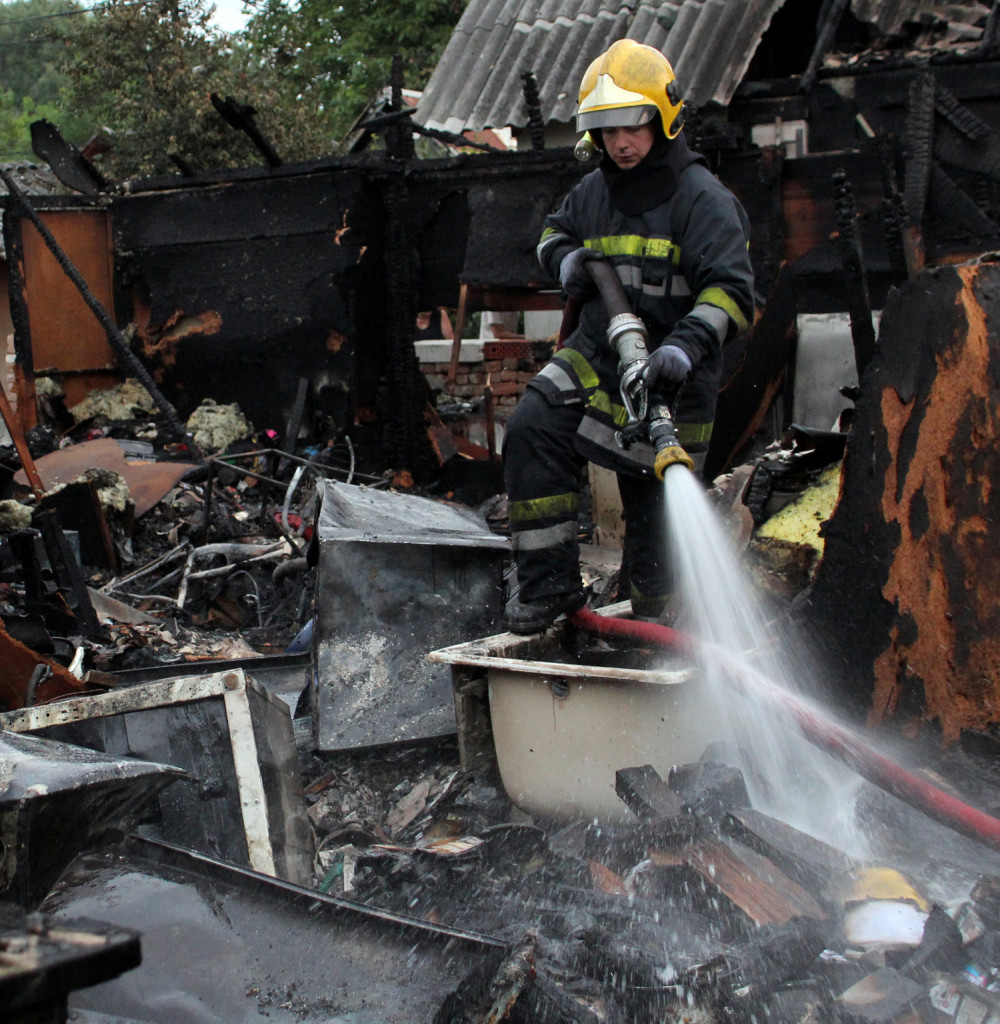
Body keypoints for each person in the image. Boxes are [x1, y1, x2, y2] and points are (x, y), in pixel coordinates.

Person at [501, 39, 755, 634]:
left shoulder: (704, 200)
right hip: (598, 357)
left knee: (655, 535)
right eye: (607, 130)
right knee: (532, 427)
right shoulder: (594, 191)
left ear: (663, 117)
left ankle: (658, 635)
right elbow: (552, 233)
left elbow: (734, 294)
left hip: (673, 377)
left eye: (632, 126)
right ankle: (549, 588)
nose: (620, 143)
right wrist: (565, 259)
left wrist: (684, 346)